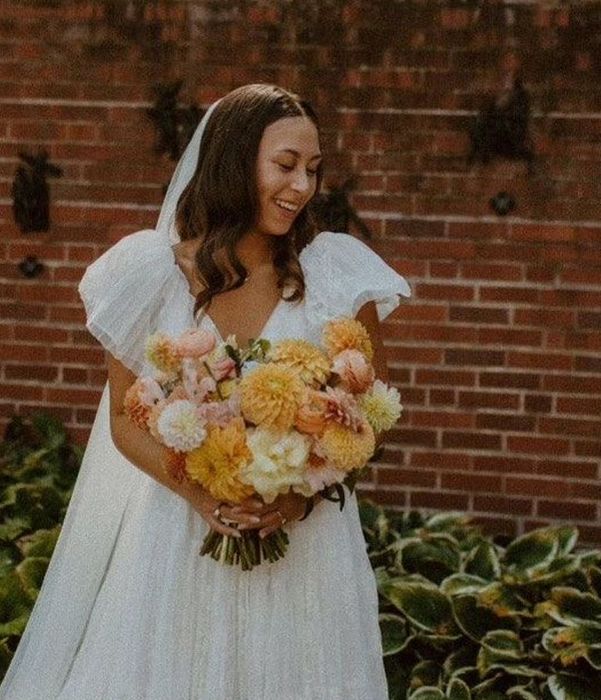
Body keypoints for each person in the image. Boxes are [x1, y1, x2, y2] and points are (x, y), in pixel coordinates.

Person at [0, 83, 410, 699]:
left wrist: (298, 499)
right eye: (286, 165)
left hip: (307, 552)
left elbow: (365, 419)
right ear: (234, 161)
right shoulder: (152, 274)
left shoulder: (334, 276)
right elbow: (125, 422)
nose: (302, 186)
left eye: (314, 170)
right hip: (179, 539)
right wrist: (202, 497)